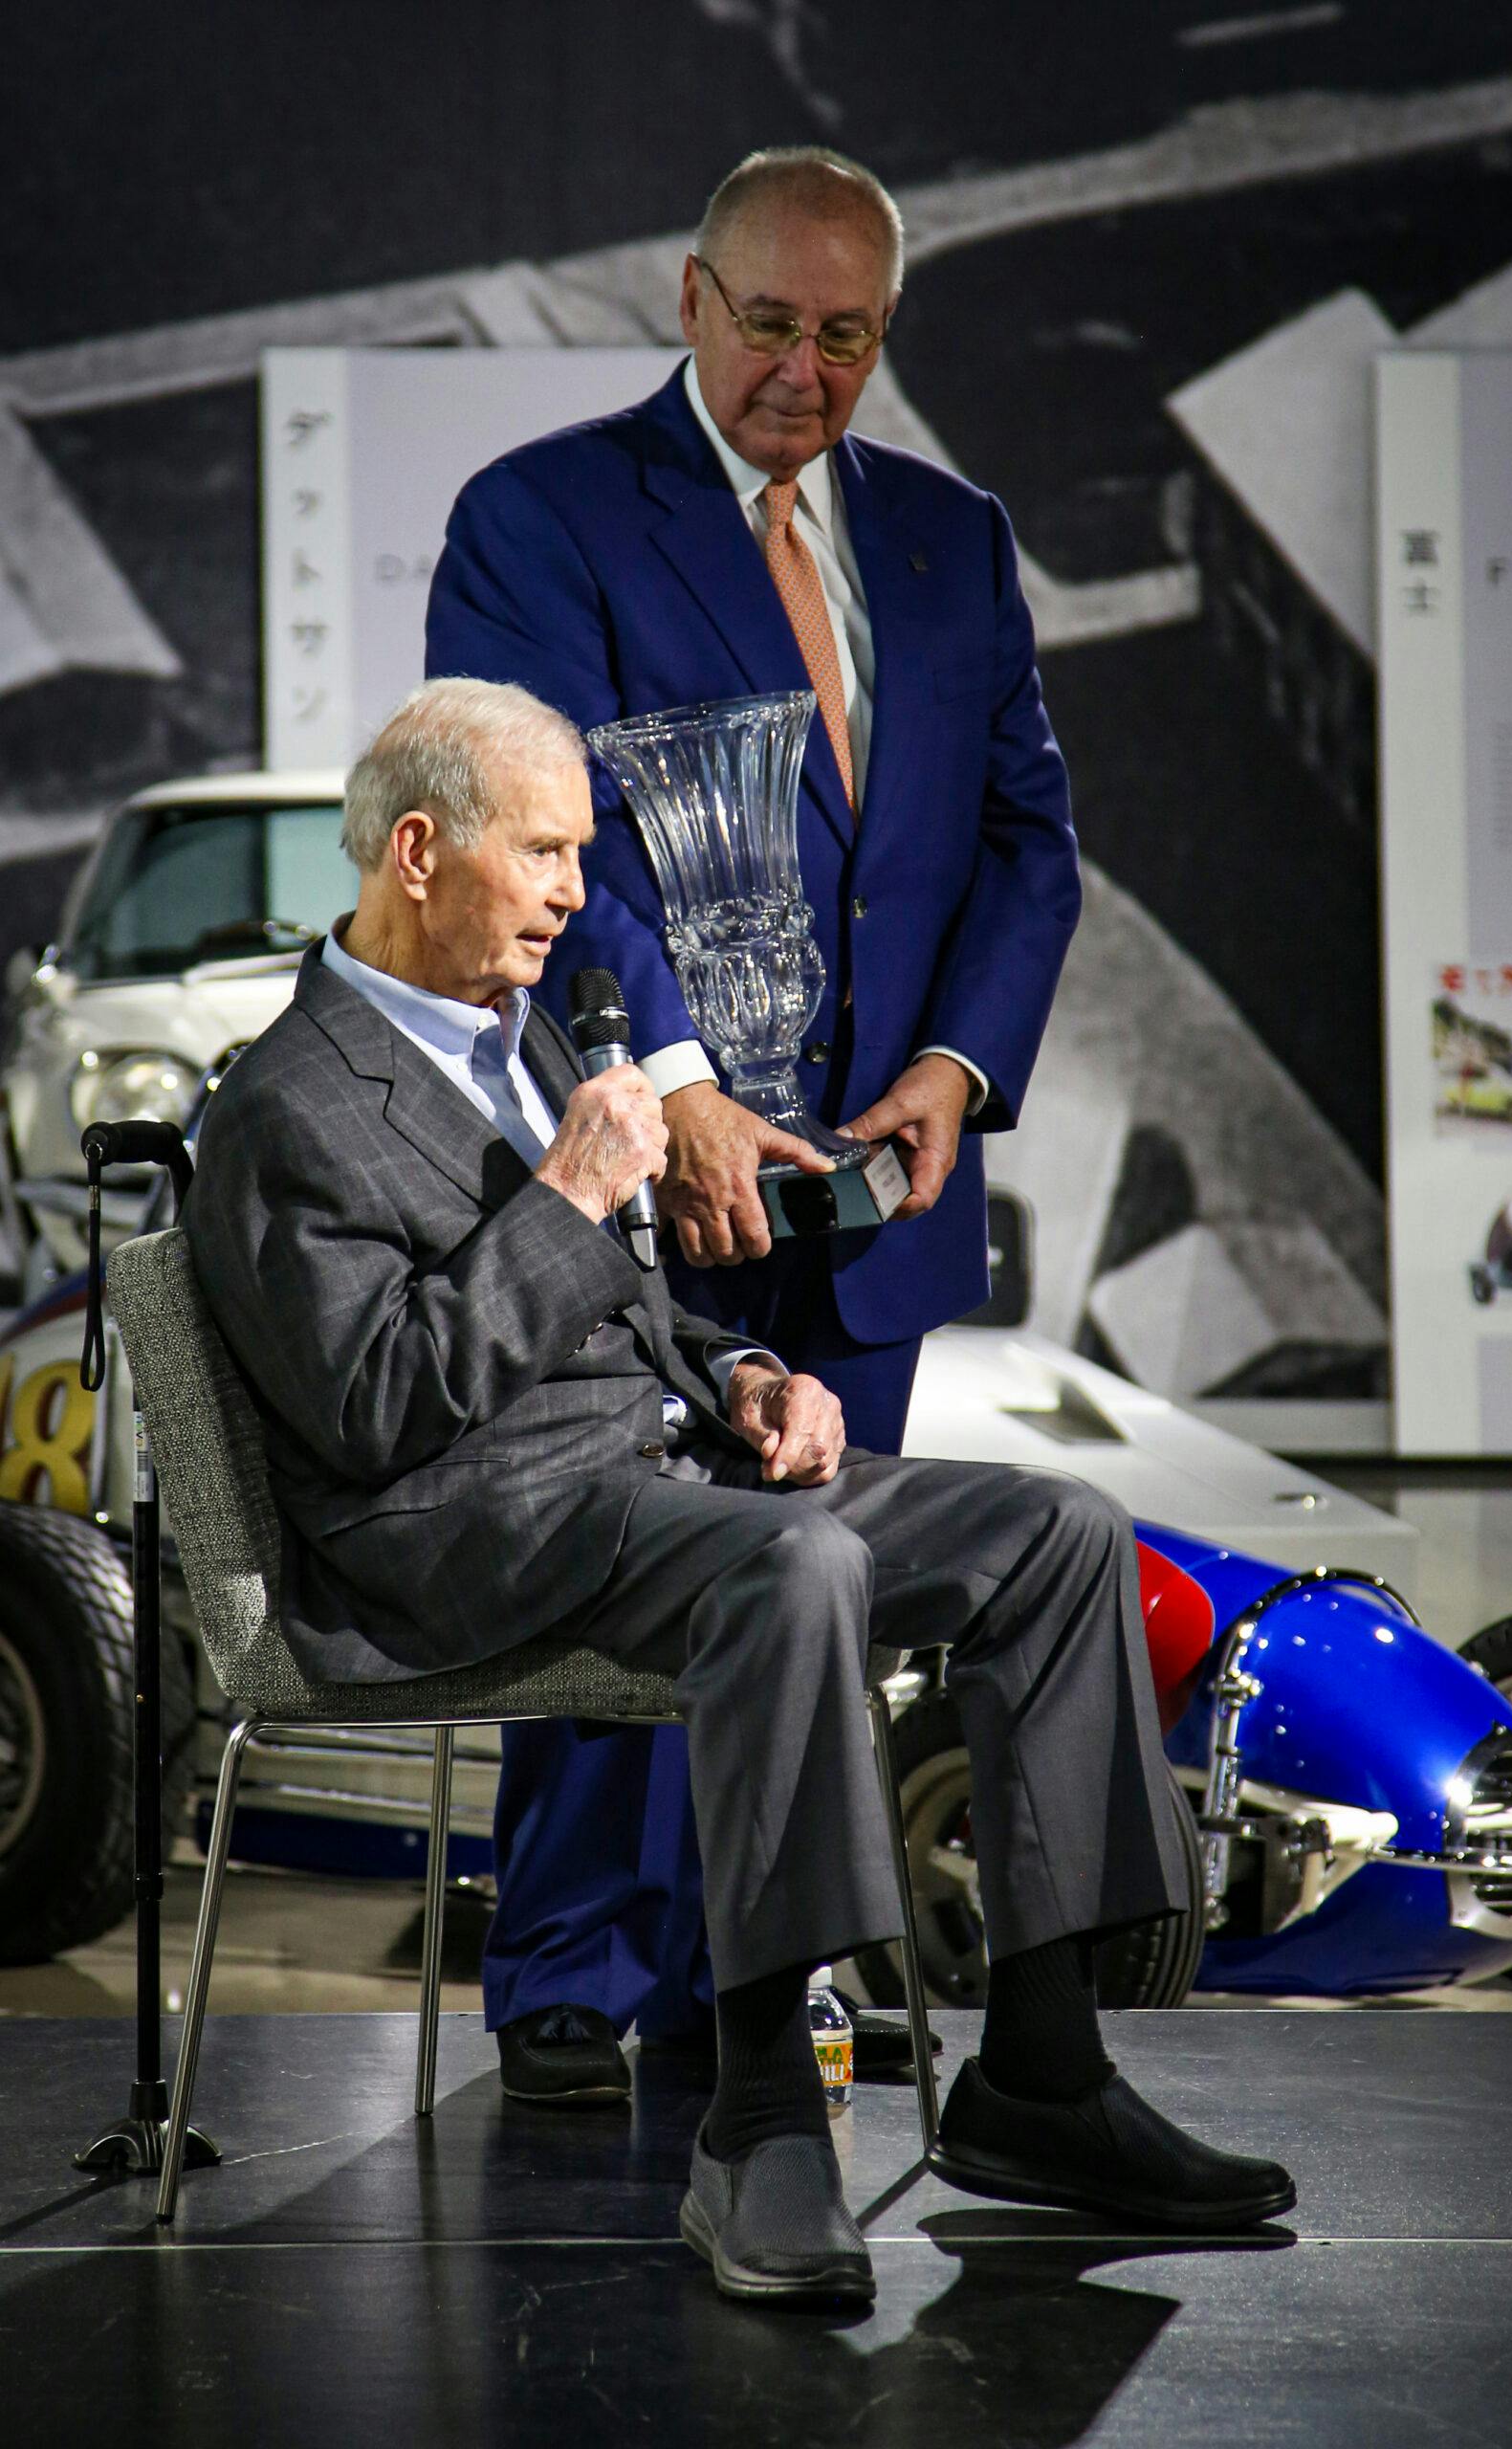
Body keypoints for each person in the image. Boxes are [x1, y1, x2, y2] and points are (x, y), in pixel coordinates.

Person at [184, 680, 1293, 2303]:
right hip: (453, 1533)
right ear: (417, 851)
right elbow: (370, 1415)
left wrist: (750, 1380)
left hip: (652, 1480)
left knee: (1055, 1535)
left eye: (580, 851)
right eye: (546, 853)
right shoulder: (285, 1103)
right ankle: (762, 2115)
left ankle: (1043, 2079)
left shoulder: (527, 1030)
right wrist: (574, 1186)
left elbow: (633, 1307)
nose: (577, 890)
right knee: (791, 1573)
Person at [424, 146, 1083, 2079]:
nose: (805, 367)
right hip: (641, 1172)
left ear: (886, 334)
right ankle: (568, 1981)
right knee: (621, 1573)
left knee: (819, 1586)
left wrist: (954, 1072)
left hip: (874, 1188)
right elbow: (534, 833)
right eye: (772, 321)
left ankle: (750, 1965)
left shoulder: (955, 539)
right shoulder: (541, 516)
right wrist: (682, 1083)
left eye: (848, 333)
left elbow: (1025, 846)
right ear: (689, 301)